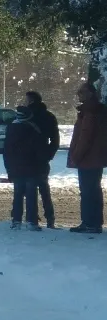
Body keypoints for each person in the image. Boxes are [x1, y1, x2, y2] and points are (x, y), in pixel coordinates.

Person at [67, 83, 107, 234]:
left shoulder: (89, 113)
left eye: (82, 92)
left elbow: (85, 137)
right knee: (94, 190)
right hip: (96, 158)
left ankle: (89, 222)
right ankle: (95, 222)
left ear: (90, 93)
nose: (79, 95)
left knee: (88, 191)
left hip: (88, 158)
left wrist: (76, 157)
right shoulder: (97, 110)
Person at [3, 106, 49, 231]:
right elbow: (40, 150)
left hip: (16, 168)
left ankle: (16, 220)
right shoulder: (33, 129)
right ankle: (31, 221)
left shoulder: (11, 129)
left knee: (17, 195)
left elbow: (6, 151)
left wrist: (9, 169)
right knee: (31, 195)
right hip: (32, 167)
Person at [25, 91, 59, 228]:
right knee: (44, 188)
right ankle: (50, 218)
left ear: (31, 100)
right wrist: (49, 153)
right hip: (43, 156)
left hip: (28, 157)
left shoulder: (27, 116)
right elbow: (55, 139)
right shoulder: (49, 116)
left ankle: (32, 218)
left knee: (29, 188)